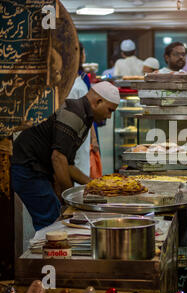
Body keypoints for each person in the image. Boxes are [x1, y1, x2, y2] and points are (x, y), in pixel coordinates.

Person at [11, 81, 120, 231]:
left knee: (54, 216)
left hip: (36, 169)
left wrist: (92, 184)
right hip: (27, 168)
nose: (108, 116)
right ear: (98, 101)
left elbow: (68, 165)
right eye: (109, 110)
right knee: (50, 222)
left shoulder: (83, 114)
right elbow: (58, 158)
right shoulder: (74, 114)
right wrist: (70, 200)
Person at [68, 43, 99, 182]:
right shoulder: (71, 83)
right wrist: (93, 137)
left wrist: (92, 138)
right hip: (72, 134)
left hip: (81, 135)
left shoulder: (80, 78)